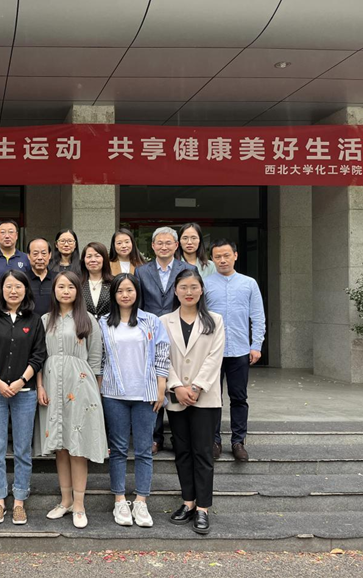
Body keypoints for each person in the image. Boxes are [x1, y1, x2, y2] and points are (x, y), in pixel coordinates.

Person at [34, 271, 107, 529]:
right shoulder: (45, 320)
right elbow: (38, 356)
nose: (65, 291)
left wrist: (95, 393)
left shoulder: (88, 319)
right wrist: (40, 386)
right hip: (52, 386)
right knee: (61, 446)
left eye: (71, 287)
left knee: (78, 447)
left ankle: (79, 504)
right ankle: (65, 501)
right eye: (61, 287)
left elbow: (96, 359)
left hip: (81, 387)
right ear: (54, 290)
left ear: (78, 291)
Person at [99, 273, 169, 528]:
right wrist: (98, 390)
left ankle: (141, 501)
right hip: (113, 394)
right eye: (120, 291)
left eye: (129, 290)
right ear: (113, 295)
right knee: (118, 450)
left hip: (145, 394)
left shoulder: (151, 321)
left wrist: (161, 387)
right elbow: (100, 358)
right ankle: (119, 500)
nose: (125, 295)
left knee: (143, 450)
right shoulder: (103, 322)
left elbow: (162, 354)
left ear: (137, 292)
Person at [161, 269, 225, 535]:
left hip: (205, 397)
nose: (189, 292)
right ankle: (188, 502)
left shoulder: (215, 320)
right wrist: (177, 386)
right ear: (175, 291)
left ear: (201, 290)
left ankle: (203, 508)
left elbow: (215, 358)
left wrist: (196, 387)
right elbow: (161, 357)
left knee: (203, 452)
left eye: (194, 287)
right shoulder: (163, 321)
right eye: (183, 287)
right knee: (183, 451)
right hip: (177, 397)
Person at [0, 270, 47, 525]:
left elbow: (38, 355)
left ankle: (19, 501)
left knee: (22, 449)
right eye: (8, 286)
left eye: (18, 286)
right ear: (2, 290)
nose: (13, 291)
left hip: (25, 393)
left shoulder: (34, 320)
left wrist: (20, 381)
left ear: (25, 290)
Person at [135, 226, 195, 454]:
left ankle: (181, 436)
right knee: (155, 383)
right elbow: (139, 304)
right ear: (152, 246)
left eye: (168, 242)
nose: (163, 246)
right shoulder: (141, 271)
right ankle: (155, 437)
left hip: (180, 331)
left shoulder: (188, 269)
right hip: (151, 334)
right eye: (159, 243)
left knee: (179, 378)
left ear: (176, 245)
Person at [205, 239, 266, 462]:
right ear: (212, 259)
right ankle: (214, 441)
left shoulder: (249, 284)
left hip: (240, 350)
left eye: (226, 255)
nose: (222, 260)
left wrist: (256, 345)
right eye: (217, 257)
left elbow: (257, 316)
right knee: (213, 399)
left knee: (239, 397)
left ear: (235, 256)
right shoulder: (205, 284)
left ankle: (238, 441)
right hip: (212, 351)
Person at [80, 242, 113, 320]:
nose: (93, 260)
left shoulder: (114, 283)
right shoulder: (77, 284)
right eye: (89, 256)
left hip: (109, 325)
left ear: (104, 259)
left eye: (97, 256)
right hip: (84, 326)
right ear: (84, 260)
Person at [27, 237, 56, 316]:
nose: (40, 258)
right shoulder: (22, 279)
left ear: (49, 255)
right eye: (35, 254)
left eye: (44, 253)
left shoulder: (58, 279)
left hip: (53, 322)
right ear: (28, 256)